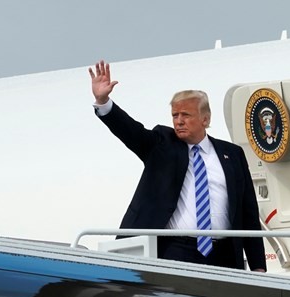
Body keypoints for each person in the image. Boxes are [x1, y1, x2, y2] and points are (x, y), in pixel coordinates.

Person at [89, 60, 266, 272]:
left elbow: (248, 211)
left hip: (224, 253)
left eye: (186, 115)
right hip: (176, 249)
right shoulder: (161, 144)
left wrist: (258, 266)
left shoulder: (232, 154)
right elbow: (130, 131)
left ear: (205, 119)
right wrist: (104, 102)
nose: (179, 121)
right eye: (175, 115)